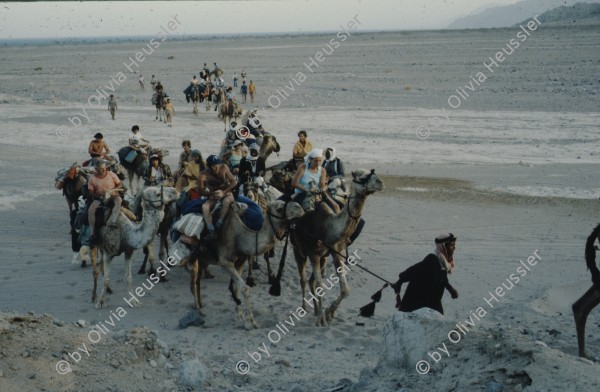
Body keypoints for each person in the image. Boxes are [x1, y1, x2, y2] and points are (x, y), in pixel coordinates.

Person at [391, 233, 459, 315]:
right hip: (417, 299)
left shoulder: (442, 260)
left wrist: (450, 289)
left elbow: (442, 277)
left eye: (454, 245)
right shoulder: (431, 260)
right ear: (443, 247)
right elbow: (412, 270)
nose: (454, 248)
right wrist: (400, 282)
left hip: (432, 300)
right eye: (451, 246)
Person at [197, 155, 237, 240]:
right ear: (210, 166)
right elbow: (200, 191)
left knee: (226, 201)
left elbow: (234, 182)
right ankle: (211, 230)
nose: (217, 167)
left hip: (226, 192)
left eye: (217, 165)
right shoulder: (203, 175)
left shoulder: (224, 167)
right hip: (213, 195)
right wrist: (212, 194)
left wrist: (224, 192)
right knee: (205, 207)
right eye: (214, 166)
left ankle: (219, 223)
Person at [87, 160, 123, 245]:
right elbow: (91, 192)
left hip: (112, 195)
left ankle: (113, 221)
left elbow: (119, 184)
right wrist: (100, 197)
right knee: (91, 210)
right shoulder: (92, 178)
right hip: (99, 198)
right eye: (100, 169)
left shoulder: (111, 174)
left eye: (104, 168)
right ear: (96, 169)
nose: (103, 170)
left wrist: (113, 190)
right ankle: (92, 233)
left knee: (119, 200)